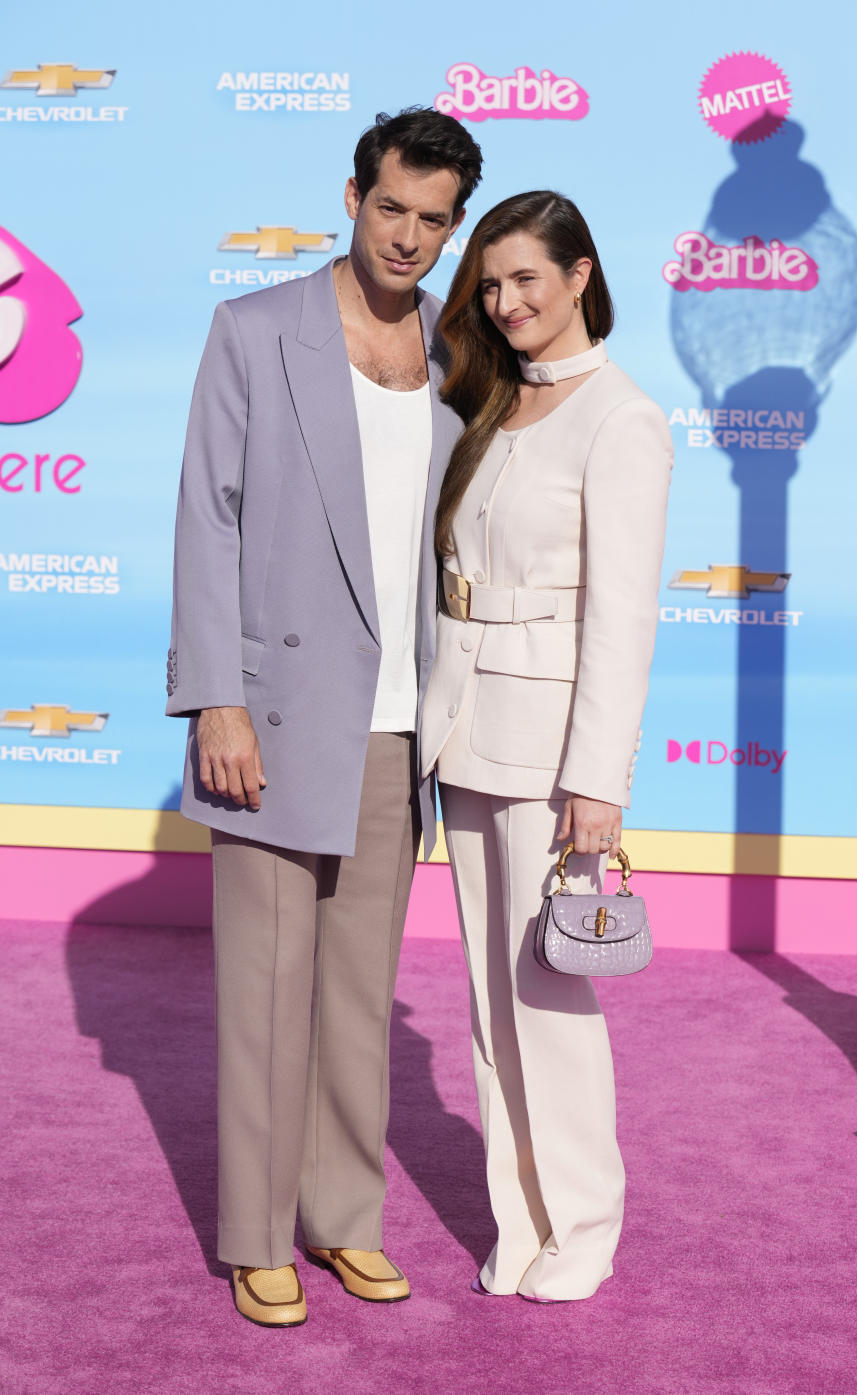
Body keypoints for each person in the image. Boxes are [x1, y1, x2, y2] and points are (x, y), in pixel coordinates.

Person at [166, 108, 482, 1327]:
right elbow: (209, 521)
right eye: (391, 207)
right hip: (276, 713)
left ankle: (344, 1220)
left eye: (432, 220)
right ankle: (255, 1236)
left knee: (357, 997)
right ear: (351, 195)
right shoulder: (256, 331)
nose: (407, 237)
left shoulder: (455, 360)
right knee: (264, 991)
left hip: (399, 729)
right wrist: (216, 701)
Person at [420, 191, 673, 1302]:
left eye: (527, 278)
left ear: (580, 275)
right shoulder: (488, 405)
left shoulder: (621, 418)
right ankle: (518, 1212)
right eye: (489, 284)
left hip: (551, 750)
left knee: (547, 995)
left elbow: (621, 616)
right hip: (464, 730)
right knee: (485, 999)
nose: (506, 301)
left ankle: (586, 1221)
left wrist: (597, 781)